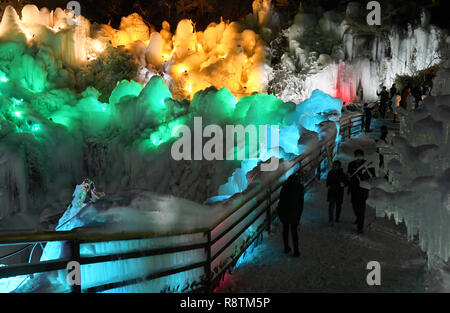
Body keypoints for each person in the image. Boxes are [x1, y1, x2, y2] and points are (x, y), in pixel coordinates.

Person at [347, 150, 375, 234]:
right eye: (357, 156)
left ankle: (360, 226)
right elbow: (349, 175)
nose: (358, 157)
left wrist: (362, 176)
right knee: (354, 205)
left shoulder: (368, 164)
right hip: (354, 188)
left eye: (360, 156)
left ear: (362, 156)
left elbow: (372, 175)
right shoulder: (351, 164)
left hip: (363, 189)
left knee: (362, 207)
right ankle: (358, 218)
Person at [277, 172, 304, 257]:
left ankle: (286, 247)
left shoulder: (285, 186)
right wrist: (299, 216)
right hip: (294, 211)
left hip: (284, 211)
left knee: (285, 229)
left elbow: (280, 198)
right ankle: (296, 251)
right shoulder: (299, 187)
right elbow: (301, 204)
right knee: (294, 231)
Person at [326, 160, 347, 226]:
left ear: (339, 166)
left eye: (336, 165)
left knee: (338, 206)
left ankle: (337, 217)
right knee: (331, 206)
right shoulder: (330, 173)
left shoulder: (342, 174)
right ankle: (331, 220)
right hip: (332, 191)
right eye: (334, 165)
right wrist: (328, 185)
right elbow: (328, 181)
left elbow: (346, 182)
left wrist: (343, 184)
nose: (334, 167)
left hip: (339, 192)